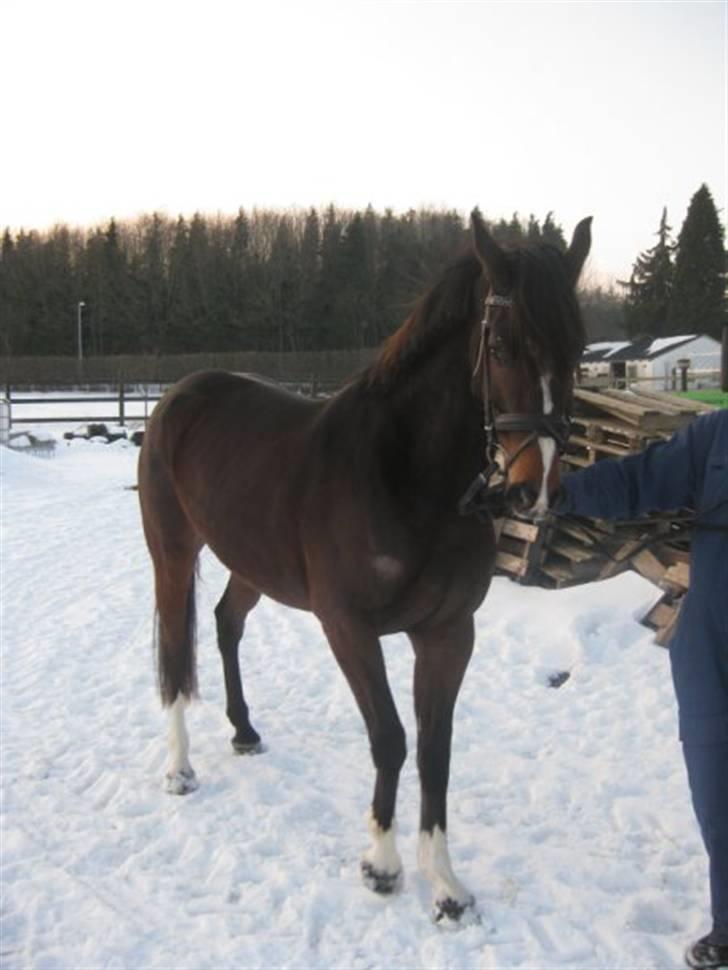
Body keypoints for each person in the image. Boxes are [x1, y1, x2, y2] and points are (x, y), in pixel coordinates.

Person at [555, 407, 728, 970]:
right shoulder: (717, 435)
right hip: (713, 642)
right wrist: (556, 492)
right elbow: (638, 480)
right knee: (715, 788)